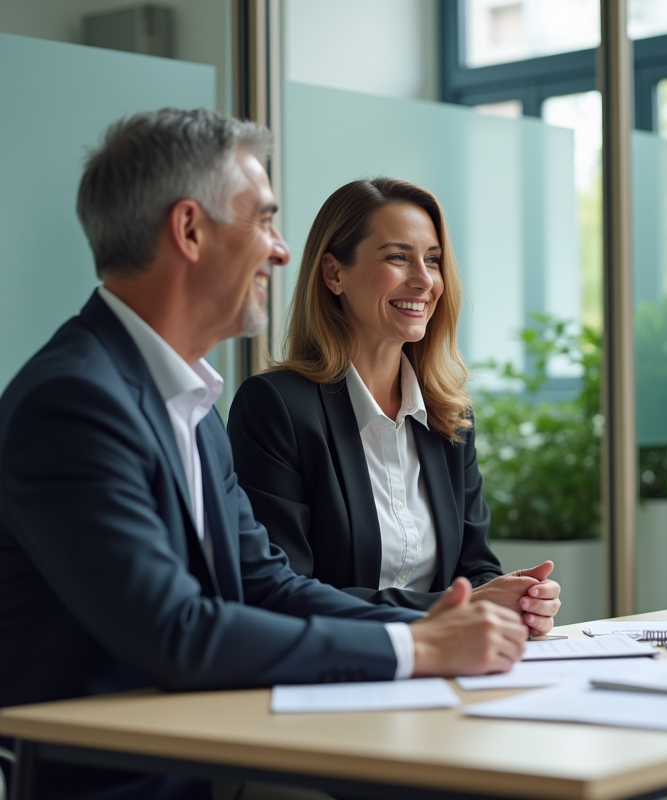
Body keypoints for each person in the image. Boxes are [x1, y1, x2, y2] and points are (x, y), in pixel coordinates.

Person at [0, 109, 528, 800]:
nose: (281, 252)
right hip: (127, 784)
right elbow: (176, 631)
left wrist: (443, 624)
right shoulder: (74, 402)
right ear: (190, 230)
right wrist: (418, 646)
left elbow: (267, 585)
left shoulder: (189, 403)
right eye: (264, 221)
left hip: (213, 755)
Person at [225, 178, 561, 633]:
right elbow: (279, 593)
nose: (424, 280)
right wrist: (446, 609)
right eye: (398, 257)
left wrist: (517, 598)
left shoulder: (449, 416)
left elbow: (475, 568)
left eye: (433, 260)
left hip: (447, 665)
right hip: (337, 668)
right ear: (334, 274)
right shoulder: (275, 407)